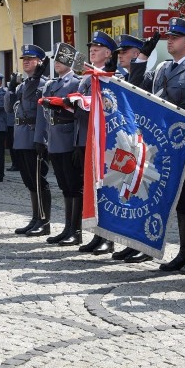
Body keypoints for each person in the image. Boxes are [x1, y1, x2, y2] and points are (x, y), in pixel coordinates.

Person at [130, 19, 185, 268]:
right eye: (169, 36)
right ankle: (184, 252)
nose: (169, 40)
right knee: (179, 201)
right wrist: (143, 56)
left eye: (175, 37)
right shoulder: (163, 69)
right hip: (167, 148)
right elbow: (137, 86)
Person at [75, 31, 119, 255]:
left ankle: (107, 238)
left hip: (107, 141)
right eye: (91, 46)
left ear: (108, 53)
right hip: (88, 137)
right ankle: (96, 233)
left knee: (106, 188)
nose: (92, 49)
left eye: (98, 47)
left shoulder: (112, 77)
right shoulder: (87, 77)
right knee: (92, 188)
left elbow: (111, 106)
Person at [40, 43, 82, 246]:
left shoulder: (76, 82)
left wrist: (62, 103)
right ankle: (67, 228)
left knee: (74, 185)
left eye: (62, 60)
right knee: (64, 186)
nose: (57, 63)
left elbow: (79, 108)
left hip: (68, 136)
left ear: (70, 62)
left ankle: (76, 230)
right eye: (55, 60)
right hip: (55, 137)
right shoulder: (52, 83)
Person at [6, 44, 51, 236]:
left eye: (31, 60)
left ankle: (44, 220)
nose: (26, 62)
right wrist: (10, 88)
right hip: (21, 135)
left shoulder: (43, 83)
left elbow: (41, 110)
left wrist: (36, 77)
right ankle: (35, 218)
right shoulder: (23, 85)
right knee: (29, 180)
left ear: (40, 63)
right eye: (24, 60)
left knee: (38, 179)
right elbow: (8, 108)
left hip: (35, 134)